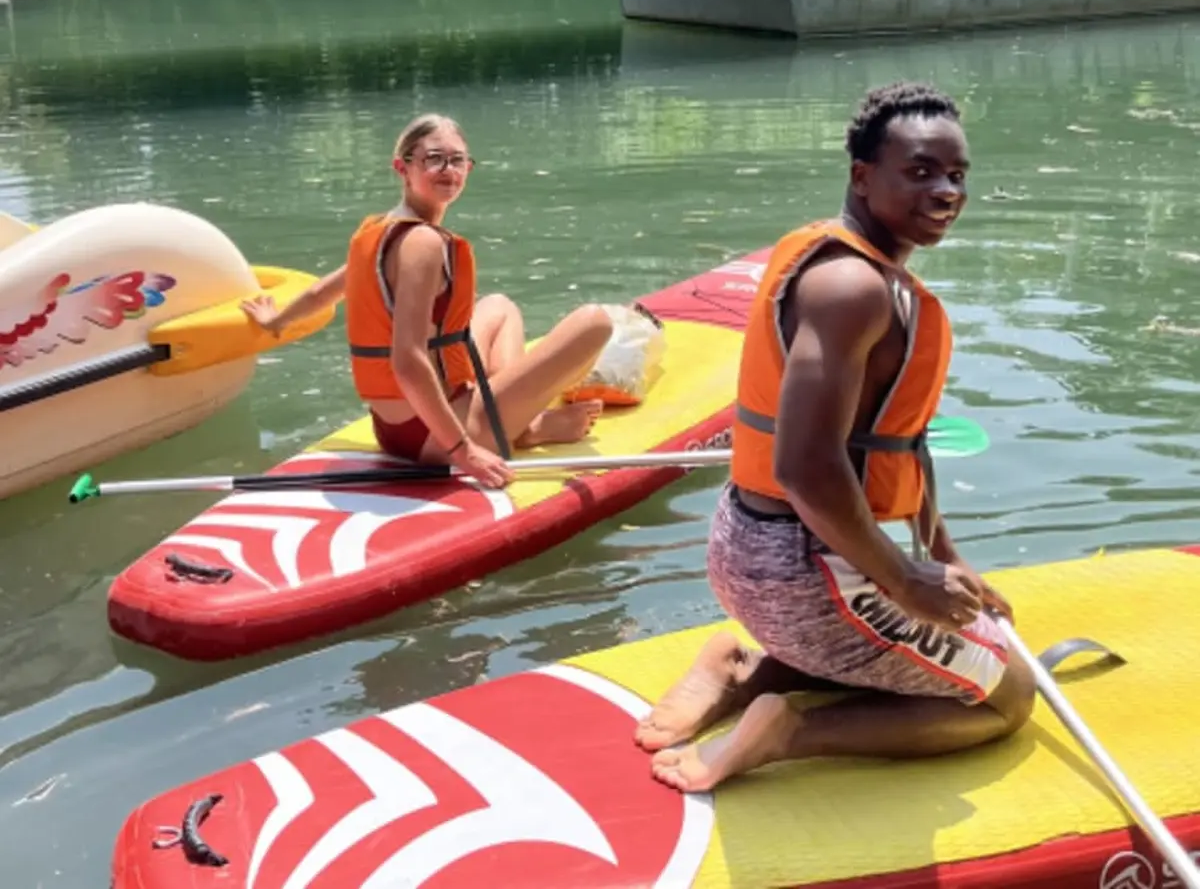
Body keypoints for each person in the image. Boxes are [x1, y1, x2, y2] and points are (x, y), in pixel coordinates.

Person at [633, 83, 1037, 793]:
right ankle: (790, 728)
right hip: (804, 571)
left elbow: (899, 439)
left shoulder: (842, 260)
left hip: (755, 546)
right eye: (920, 172)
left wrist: (942, 552)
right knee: (1009, 696)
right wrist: (906, 578)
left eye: (957, 175)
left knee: (976, 637)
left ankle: (744, 670)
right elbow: (806, 466)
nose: (946, 191)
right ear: (862, 176)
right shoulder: (851, 288)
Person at [241, 113, 614, 488]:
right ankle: (522, 429)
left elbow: (323, 292)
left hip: (396, 428)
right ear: (402, 167)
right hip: (436, 435)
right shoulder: (423, 243)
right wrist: (464, 451)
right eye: (434, 158)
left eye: (458, 160)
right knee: (595, 321)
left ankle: (516, 417)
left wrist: (275, 321)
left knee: (499, 307)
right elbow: (407, 361)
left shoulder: (382, 230)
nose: (448, 169)